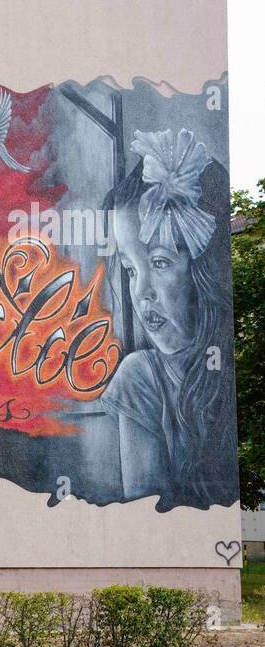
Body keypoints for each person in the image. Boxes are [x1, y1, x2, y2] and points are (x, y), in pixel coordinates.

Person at [99, 129, 236, 509]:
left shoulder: (231, 368)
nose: (140, 291)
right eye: (129, 270)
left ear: (203, 269)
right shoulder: (141, 376)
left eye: (159, 263)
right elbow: (147, 516)